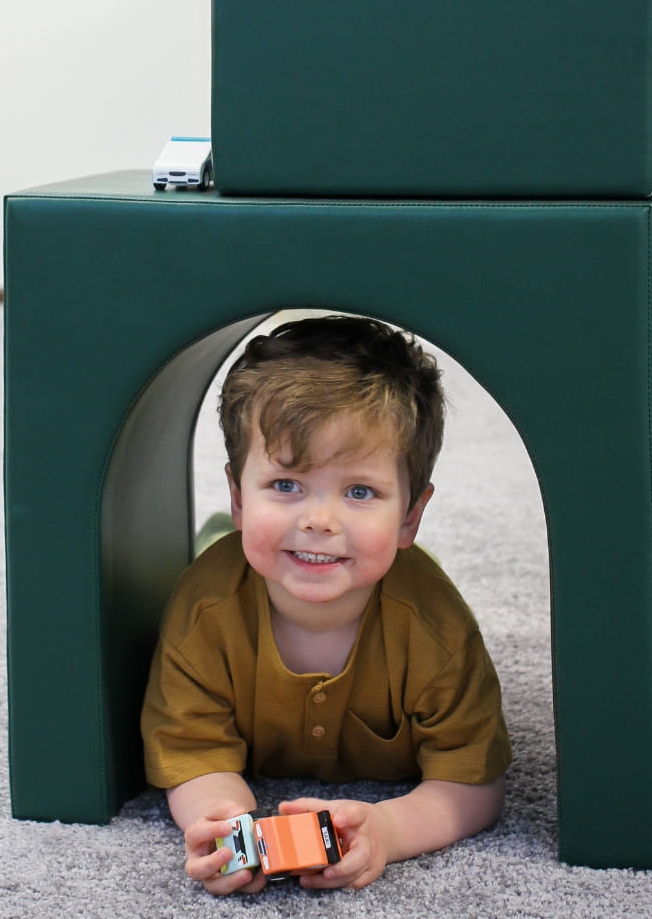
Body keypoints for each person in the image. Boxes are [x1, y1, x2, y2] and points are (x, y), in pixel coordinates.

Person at [141, 315, 511, 895]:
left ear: (411, 515)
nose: (319, 520)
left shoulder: (435, 630)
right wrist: (224, 823)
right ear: (238, 496)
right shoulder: (203, 613)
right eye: (286, 485)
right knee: (221, 551)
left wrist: (388, 829)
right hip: (235, 559)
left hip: (396, 581)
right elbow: (192, 752)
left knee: (367, 560)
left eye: (360, 492)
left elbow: (475, 782)